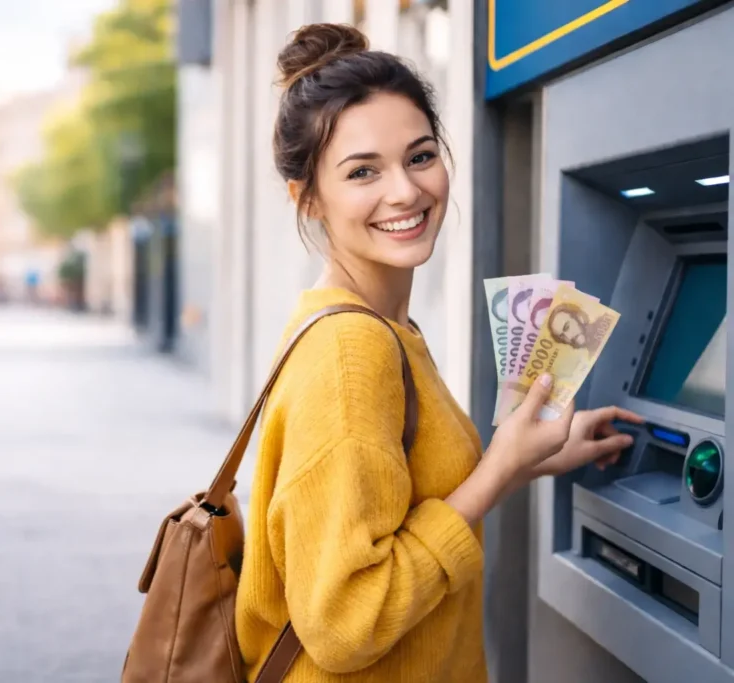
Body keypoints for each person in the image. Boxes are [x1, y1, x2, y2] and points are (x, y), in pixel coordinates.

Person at [233, 23, 644, 683]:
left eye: (420, 156)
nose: (405, 191)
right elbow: (343, 624)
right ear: (307, 197)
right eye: (363, 171)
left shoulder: (383, 325)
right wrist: (494, 470)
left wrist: (521, 462)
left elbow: (397, 510)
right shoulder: (350, 350)